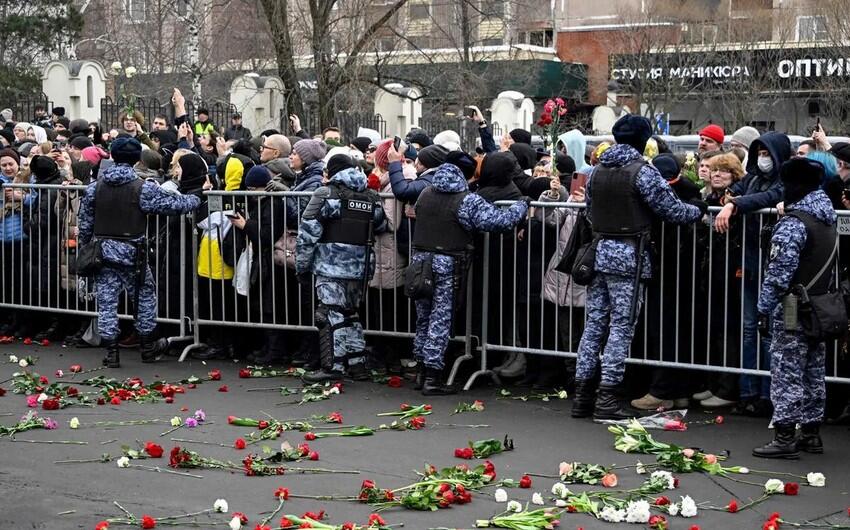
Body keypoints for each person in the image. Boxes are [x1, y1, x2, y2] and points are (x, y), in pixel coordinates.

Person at [572, 115, 706, 421]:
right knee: (620, 327)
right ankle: (607, 396)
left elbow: (590, 212)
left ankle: (582, 396)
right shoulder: (642, 171)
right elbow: (671, 209)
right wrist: (697, 210)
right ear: (644, 140)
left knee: (593, 326)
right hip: (630, 255)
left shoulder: (598, 171)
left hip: (600, 250)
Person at [409, 157, 529, 395]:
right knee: (440, 320)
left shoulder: (424, 194)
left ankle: (422, 371)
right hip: (447, 264)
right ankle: (433, 377)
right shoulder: (465, 200)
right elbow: (499, 221)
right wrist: (521, 205)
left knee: (423, 319)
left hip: (419, 262)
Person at [77, 138, 201, 367]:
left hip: (103, 251)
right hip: (134, 253)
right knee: (144, 297)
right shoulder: (142, 187)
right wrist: (196, 196)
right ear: (137, 159)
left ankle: (112, 353)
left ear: (112, 157)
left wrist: (86, 246)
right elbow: (175, 205)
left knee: (106, 302)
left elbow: (85, 222)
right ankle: (147, 347)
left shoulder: (95, 187)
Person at [752, 157, 835, 459]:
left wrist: (763, 307)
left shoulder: (794, 224)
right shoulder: (826, 219)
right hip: (819, 305)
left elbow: (778, 275)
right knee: (813, 371)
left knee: (787, 369)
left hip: (792, 307)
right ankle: (811, 434)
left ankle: (785, 435)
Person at [715, 131, 792, 417]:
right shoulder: (752, 178)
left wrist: (735, 204)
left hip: (772, 270)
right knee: (750, 330)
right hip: (749, 266)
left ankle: (769, 395)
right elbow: (743, 191)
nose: (762, 159)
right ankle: (748, 391)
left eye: (766, 154)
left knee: (770, 333)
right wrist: (732, 198)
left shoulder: (784, 181)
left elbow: (770, 196)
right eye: (758, 154)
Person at [297, 154, 387, 382]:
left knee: (328, 314)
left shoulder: (325, 194)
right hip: (361, 267)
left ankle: (332, 367)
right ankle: (358, 364)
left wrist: (302, 267)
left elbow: (307, 235)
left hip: (331, 265)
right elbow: (381, 224)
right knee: (351, 313)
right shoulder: (371, 196)